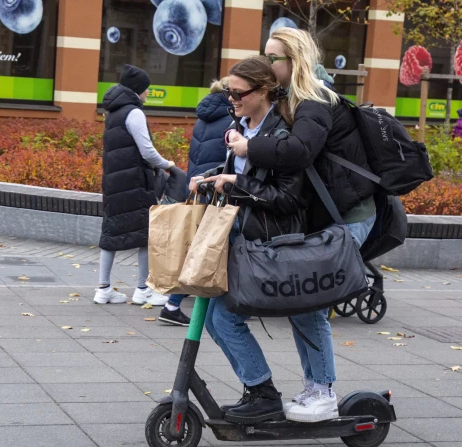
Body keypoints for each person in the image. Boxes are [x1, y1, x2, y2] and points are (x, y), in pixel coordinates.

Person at [226, 28, 377, 423]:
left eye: (273, 57)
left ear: (294, 60)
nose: (267, 62)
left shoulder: (316, 98)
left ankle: (323, 392)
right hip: (324, 214)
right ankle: (316, 387)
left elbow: (298, 151)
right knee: (302, 303)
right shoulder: (294, 99)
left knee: (307, 303)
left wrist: (247, 146)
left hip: (349, 216)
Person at [188, 55, 311, 425]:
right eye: (229, 92)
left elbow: (288, 198)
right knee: (211, 320)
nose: (232, 100)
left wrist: (237, 185)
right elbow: (238, 174)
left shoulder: (279, 136)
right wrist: (211, 176)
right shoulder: (242, 126)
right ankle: (258, 391)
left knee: (224, 320)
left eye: (239, 93)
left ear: (263, 92)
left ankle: (263, 393)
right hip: (237, 238)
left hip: (264, 244)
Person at [94, 64, 172, 307]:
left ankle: (103, 289)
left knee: (110, 233)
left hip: (114, 180)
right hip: (136, 182)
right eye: (147, 89)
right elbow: (146, 151)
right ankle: (143, 290)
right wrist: (167, 164)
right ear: (138, 89)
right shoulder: (134, 112)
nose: (148, 93)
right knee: (146, 235)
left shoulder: (113, 112)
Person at [159, 77, 233, 327]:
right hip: (218, 188)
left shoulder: (204, 117)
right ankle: (174, 304)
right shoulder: (231, 119)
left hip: (199, 185)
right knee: (208, 248)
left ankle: (173, 304)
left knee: (200, 246)